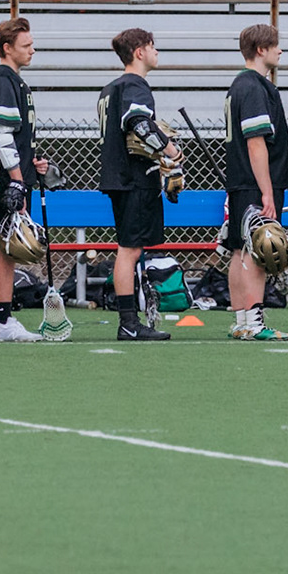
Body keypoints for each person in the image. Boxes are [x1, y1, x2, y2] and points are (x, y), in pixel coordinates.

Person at [98, 26, 178, 341]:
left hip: (118, 176)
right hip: (133, 177)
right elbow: (138, 123)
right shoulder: (135, 84)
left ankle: (130, 321)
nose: (156, 52)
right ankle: (128, 322)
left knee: (129, 248)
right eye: (152, 46)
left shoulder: (110, 88)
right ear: (139, 52)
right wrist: (169, 150)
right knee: (129, 250)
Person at [0, 17, 48, 342]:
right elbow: (1, 136)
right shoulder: (2, 79)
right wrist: (17, 179)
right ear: (7, 48)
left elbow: (14, 138)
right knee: (6, 248)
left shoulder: (11, 80)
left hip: (7, 174)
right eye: (26, 45)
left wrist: (30, 161)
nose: (32, 50)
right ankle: (1, 320)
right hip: (5, 178)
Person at [221, 22, 288, 341]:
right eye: (275, 45)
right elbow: (256, 142)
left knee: (240, 249)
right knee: (258, 248)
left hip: (241, 180)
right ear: (261, 49)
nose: (280, 50)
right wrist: (267, 191)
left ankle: (242, 321)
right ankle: (254, 321)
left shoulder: (241, 84)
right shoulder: (253, 86)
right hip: (254, 181)